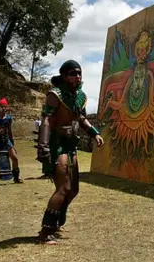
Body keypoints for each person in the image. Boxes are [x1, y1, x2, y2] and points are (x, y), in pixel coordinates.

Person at [36, 60, 104, 244]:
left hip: (70, 144)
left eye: (79, 73)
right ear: (64, 76)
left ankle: (57, 220)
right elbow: (47, 121)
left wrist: (94, 133)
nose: (78, 77)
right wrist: (43, 145)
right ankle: (45, 231)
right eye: (73, 73)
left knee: (73, 190)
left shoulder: (79, 96)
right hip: (57, 145)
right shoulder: (54, 95)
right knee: (63, 188)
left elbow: (80, 118)